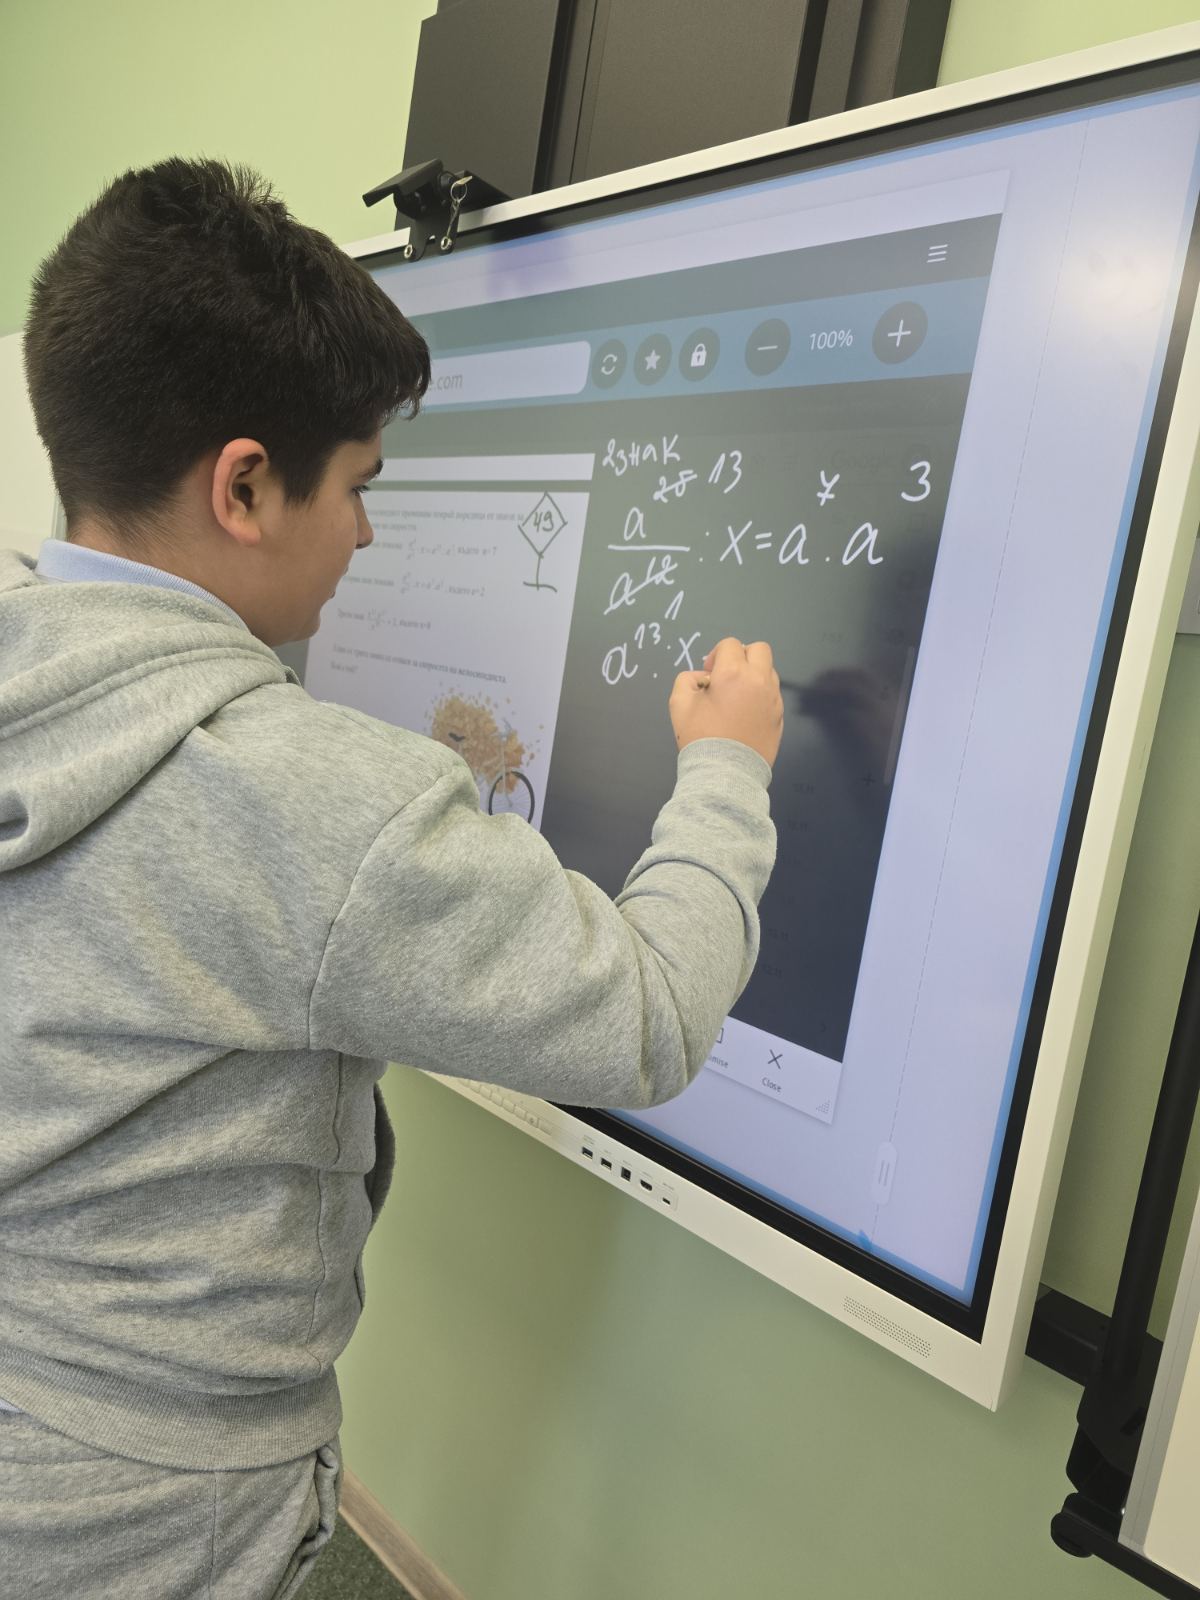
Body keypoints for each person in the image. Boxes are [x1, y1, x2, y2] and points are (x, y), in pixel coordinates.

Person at [0, 157, 782, 1598]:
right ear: (245, 485)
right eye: (360, 485)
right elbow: (653, 1014)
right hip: (163, 1499)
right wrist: (729, 766)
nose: (365, 532)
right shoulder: (316, 800)